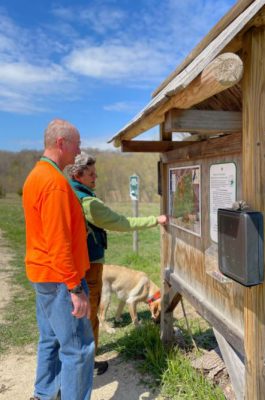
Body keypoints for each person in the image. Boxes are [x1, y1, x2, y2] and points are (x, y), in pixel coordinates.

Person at [67, 152, 167, 373]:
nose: (96, 177)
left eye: (95, 173)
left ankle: (74, 360)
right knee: (90, 314)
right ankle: (88, 362)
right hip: (90, 264)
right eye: (91, 174)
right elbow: (120, 222)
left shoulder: (69, 192)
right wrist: (155, 220)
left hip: (72, 264)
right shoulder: (88, 202)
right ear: (78, 174)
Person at [23, 120, 95, 400]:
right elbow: (58, 241)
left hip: (44, 276)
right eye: (77, 143)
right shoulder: (53, 183)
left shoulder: (37, 175)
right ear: (62, 143)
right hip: (60, 279)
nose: (80, 149)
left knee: (50, 339)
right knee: (78, 349)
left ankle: (43, 394)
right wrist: (75, 288)